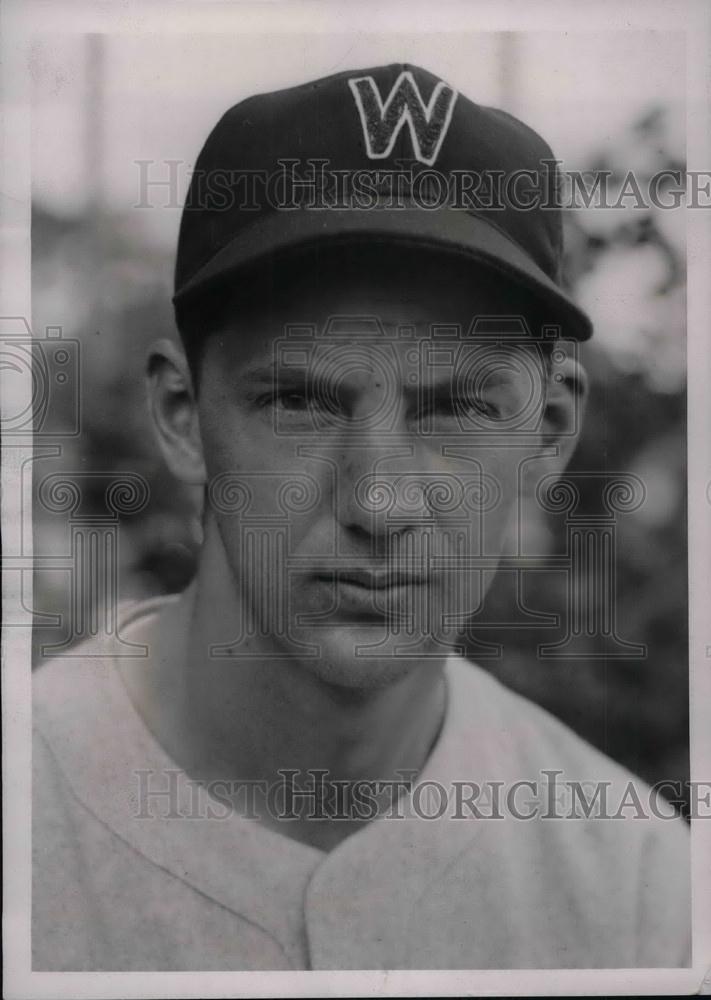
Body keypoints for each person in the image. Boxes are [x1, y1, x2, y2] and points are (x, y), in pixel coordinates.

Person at [33, 63, 690, 971]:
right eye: (300, 401)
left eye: (456, 408)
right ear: (184, 416)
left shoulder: (643, 891)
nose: (378, 503)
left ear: (548, 431)